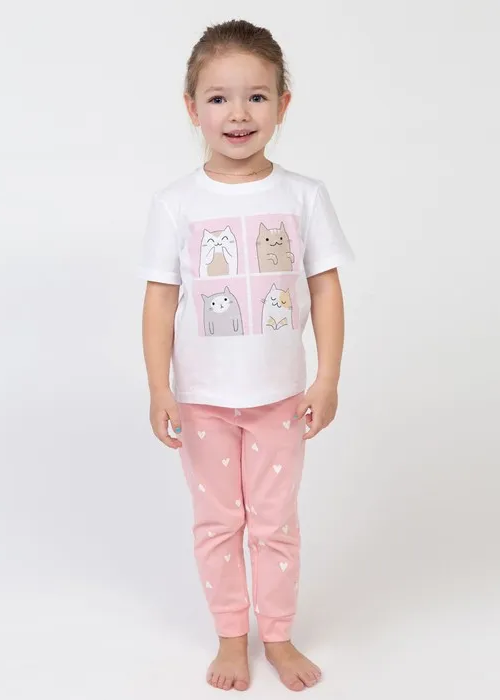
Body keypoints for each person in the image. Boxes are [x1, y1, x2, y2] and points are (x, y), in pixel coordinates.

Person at [139, 18, 354, 693]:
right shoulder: (176, 204)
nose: (238, 113)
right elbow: (160, 302)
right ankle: (232, 638)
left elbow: (325, 289)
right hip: (202, 400)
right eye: (219, 98)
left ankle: (279, 636)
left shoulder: (303, 196)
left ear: (282, 105)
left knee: (274, 523)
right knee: (218, 522)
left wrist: (327, 376)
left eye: (256, 96)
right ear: (192, 108)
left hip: (280, 398)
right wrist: (159, 387)